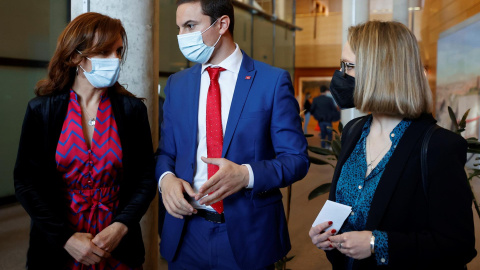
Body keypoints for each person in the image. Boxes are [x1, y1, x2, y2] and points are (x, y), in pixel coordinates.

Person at [308, 21, 477, 269]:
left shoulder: (439, 147)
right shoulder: (353, 131)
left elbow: (458, 245)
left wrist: (378, 243)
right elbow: (345, 205)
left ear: (380, 71)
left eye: (348, 66)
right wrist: (325, 232)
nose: (341, 75)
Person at [156, 0, 309, 269]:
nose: (181, 36)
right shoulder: (177, 85)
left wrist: (246, 175)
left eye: (190, 26)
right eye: (179, 28)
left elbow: (296, 159)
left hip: (247, 236)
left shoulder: (271, 82)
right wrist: (166, 180)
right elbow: (166, 152)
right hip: (186, 233)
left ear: (222, 24)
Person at [14, 12, 156, 269]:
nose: (115, 60)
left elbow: (146, 177)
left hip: (117, 246)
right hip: (58, 246)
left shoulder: (131, 110)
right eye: (104, 52)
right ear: (75, 56)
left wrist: (121, 226)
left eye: (118, 51)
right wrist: (66, 239)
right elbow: (26, 183)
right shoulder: (42, 110)